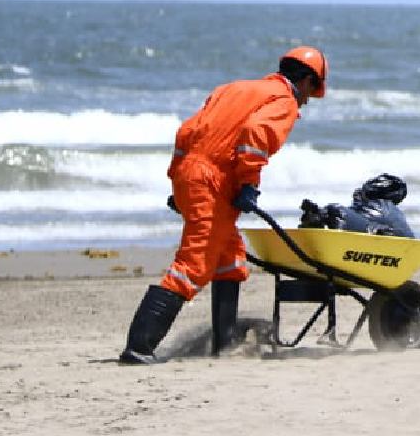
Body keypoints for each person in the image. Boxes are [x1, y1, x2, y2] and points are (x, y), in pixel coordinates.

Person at [119, 46, 328, 365]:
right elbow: (255, 134)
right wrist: (248, 183)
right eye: (311, 92)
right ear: (306, 80)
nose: (307, 101)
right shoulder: (283, 100)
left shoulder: (233, 89)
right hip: (213, 182)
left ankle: (225, 345)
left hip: (192, 173)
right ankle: (139, 347)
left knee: (230, 260)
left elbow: (187, 131)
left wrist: (180, 181)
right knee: (194, 265)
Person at [299, 173, 415, 238]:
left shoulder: (385, 208)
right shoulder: (394, 212)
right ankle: (318, 221)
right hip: (399, 245)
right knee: (335, 212)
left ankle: (318, 220)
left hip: (380, 238)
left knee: (335, 211)